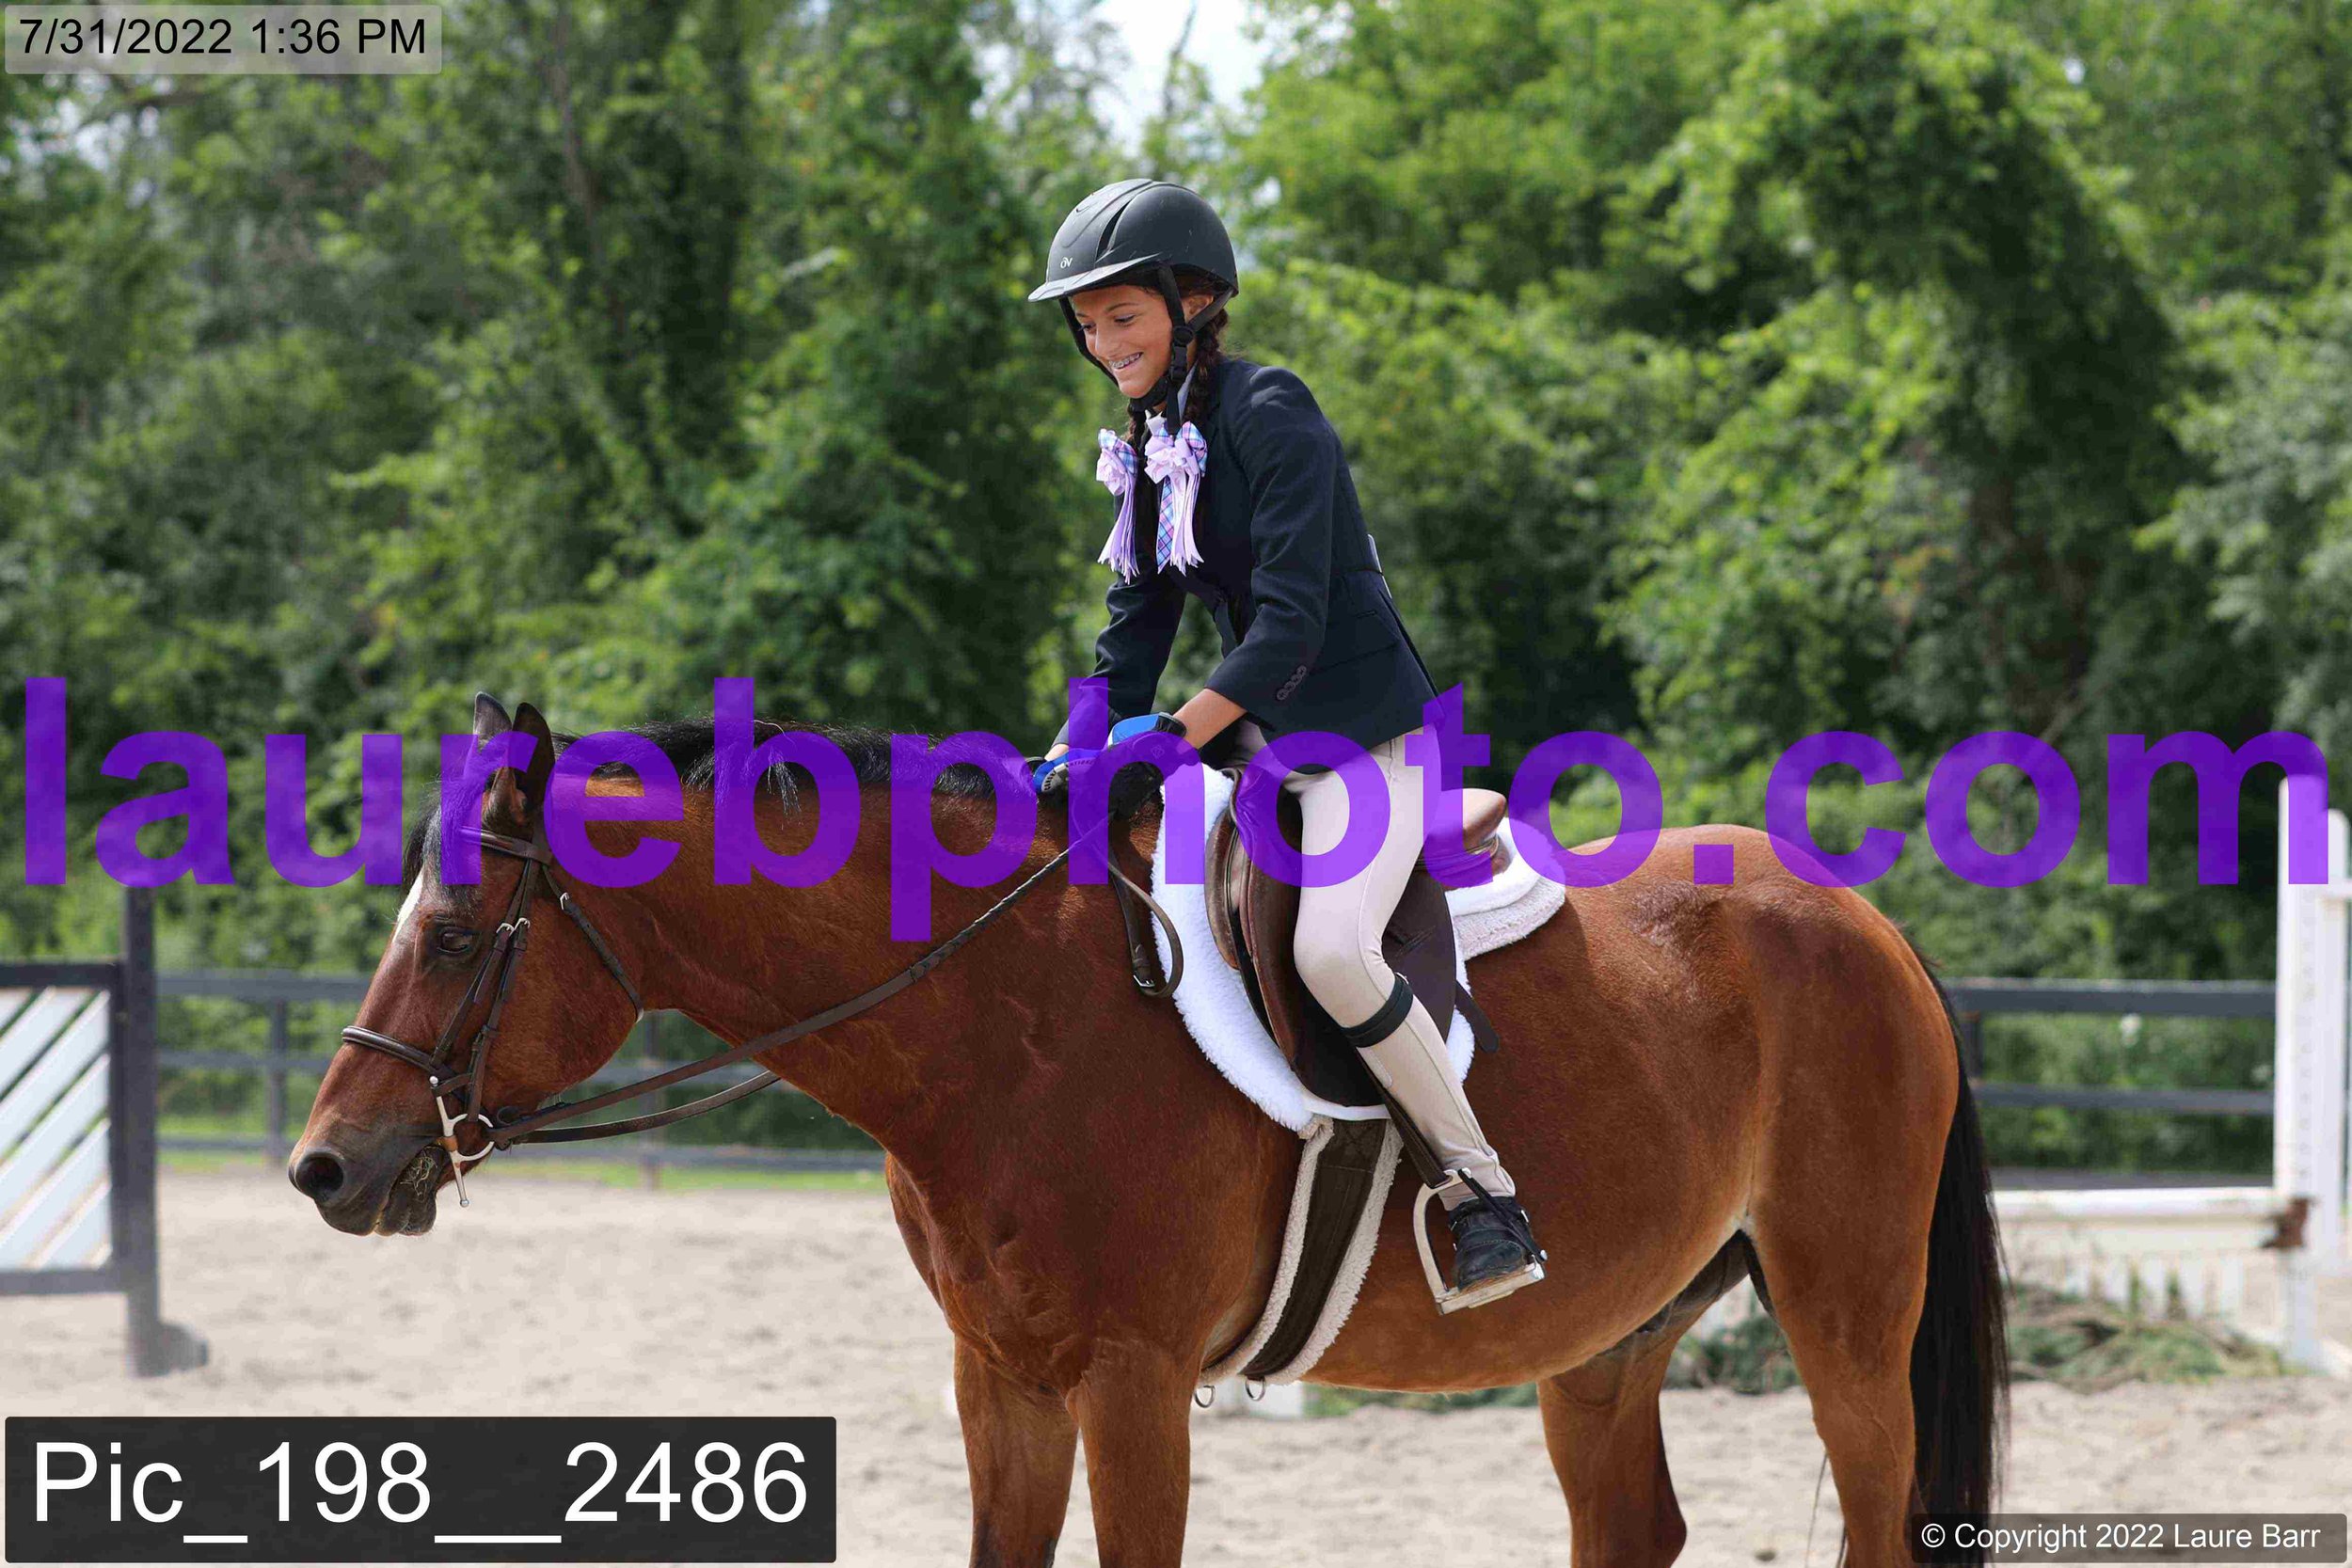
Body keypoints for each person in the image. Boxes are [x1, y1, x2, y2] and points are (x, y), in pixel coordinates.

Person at [1025, 178, 1545, 1311]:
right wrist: (1068, 753)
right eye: (1088, 323)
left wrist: (1170, 736)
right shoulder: (1151, 441)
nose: (1103, 342)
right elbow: (1134, 626)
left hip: (1368, 738)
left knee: (1332, 955)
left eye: (1123, 316)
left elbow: (1289, 626)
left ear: (1193, 301)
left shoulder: (1271, 410)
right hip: (1257, 750)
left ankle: (1482, 1195)